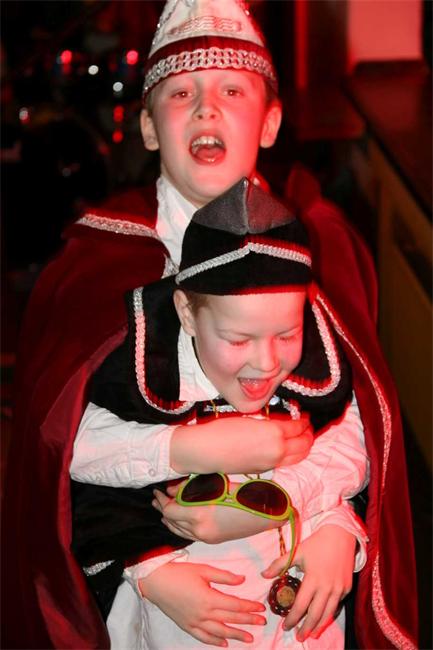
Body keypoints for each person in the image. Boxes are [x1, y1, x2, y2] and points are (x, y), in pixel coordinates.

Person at [1, 1, 417, 649]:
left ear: (270, 122)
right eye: (181, 93)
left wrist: (329, 520)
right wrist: (148, 564)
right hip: (161, 610)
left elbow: (357, 426)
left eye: (232, 90)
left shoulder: (322, 241)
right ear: (148, 126)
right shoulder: (94, 263)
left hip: (298, 588)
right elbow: (56, 450)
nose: (206, 109)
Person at [71, 177, 369, 649]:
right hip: (181, 626)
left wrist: (332, 523)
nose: (266, 363)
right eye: (238, 340)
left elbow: (352, 444)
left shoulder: (317, 370)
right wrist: (151, 567)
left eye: (287, 335)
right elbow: (75, 454)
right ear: (187, 314)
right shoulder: (143, 378)